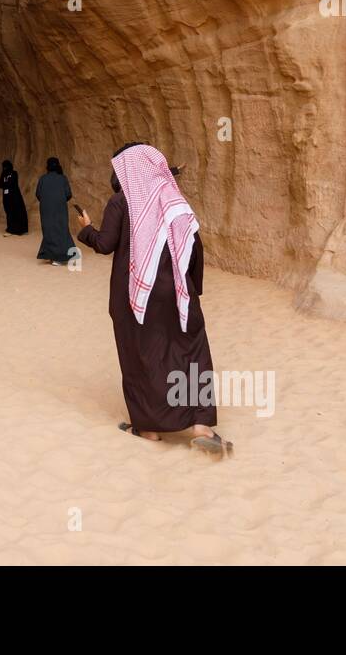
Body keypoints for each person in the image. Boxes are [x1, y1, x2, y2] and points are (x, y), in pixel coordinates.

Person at [76, 142, 231, 457]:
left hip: (135, 294)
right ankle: (201, 424)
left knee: (142, 355)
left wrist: (86, 229)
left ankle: (148, 428)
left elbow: (105, 244)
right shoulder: (171, 199)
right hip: (175, 290)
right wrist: (192, 287)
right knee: (191, 349)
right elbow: (193, 244)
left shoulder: (121, 203)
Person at [35, 157, 74, 264]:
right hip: (60, 208)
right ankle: (58, 257)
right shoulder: (63, 178)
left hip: (46, 208)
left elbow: (38, 194)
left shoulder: (42, 178)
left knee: (48, 230)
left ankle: (52, 255)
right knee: (61, 229)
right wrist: (59, 200)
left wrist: (46, 201)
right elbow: (68, 194)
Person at [0, 160, 28, 236]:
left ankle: (17, 229)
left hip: (15, 196)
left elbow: (12, 183)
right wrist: (5, 183)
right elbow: (0, 184)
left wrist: (5, 183)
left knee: (16, 212)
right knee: (9, 212)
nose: (5, 168)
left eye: (6, 166)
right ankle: (10, 228)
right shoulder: (3, 174)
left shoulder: (14, 173)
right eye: (4, 166)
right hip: (6, 197)